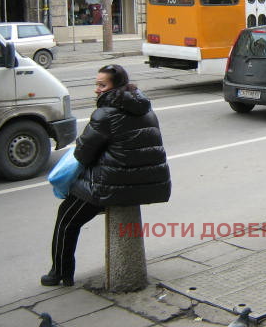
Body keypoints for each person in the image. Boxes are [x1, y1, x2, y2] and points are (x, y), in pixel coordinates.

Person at [41, 64, 171, 286]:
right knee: (74, 210)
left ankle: (60, 273)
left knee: (66, 217)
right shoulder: (144, 107)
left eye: (102, 85)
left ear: (115, 87)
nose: (97, 90)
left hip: (115, 185)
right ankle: (61, 271)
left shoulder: (105, 114)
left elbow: (83, 153)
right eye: (96, 85)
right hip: (148, 182)